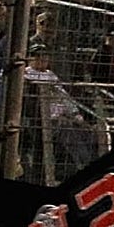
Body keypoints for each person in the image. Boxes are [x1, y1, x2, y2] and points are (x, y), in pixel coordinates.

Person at [23, 42, 96, 175]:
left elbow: (64, 97)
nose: (41, 60)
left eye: (44, 56)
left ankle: (88, 164)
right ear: (30, 58)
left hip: (63, 116)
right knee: (69, 133)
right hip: (44, 119)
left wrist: (75, 113)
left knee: (87, 132)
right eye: (37, 56)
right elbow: (33, 104)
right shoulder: (26, 75)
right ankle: (82, 167)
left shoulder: (51, 75)